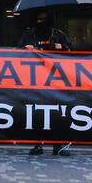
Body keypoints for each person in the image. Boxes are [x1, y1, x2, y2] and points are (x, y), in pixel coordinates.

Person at [19, 11, 72, 156]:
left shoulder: (59, 35)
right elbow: (17, 53)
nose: (41, 22)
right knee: (38, 113)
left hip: (56, 80)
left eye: (44, 19)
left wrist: (64, 48)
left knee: (57, 113)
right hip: (35, 80)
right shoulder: (29, 34)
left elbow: (71, 54)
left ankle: (57, 144)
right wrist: (26, 50)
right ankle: (38, 145)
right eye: (38, 19)